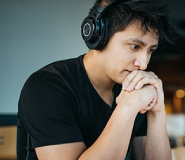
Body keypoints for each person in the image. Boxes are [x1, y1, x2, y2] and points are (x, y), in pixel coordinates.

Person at [17, 0, 175, 159]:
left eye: (150, 50)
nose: (143, 63)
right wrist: (128, 106)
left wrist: (157, 111)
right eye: (135, 46)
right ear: (99, 36)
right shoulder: (47, 86)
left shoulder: (134, 87)